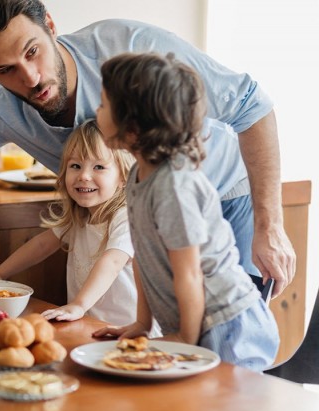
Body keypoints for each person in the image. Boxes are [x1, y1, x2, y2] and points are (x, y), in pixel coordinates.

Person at [0, 0, 295, 297]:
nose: (30, 78)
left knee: (226, 359)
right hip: (144, 223)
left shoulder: (130, 45)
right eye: (5, 69)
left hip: (224, 198)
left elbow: (252, 107)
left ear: (50, 25)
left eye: (32, 51)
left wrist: (269, 225)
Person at [91, 52, 279, 370]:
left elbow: (189, 272)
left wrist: (185, 341)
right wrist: (142, 323)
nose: (95, 112)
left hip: (226, 325)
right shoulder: (139, 176)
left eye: (103, 105)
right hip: (196, 323)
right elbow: (144, 256)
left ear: (134, 127)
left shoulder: (174, 187)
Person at [0, 120, 142, 328]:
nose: (84, 176)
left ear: (124, 177)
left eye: (99, 167)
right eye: (75, 166)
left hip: (127, 333)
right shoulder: (80, 216)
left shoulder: (127, 218)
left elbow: (112, 263)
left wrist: (79, 305)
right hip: (88, 325)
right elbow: (41, 245)